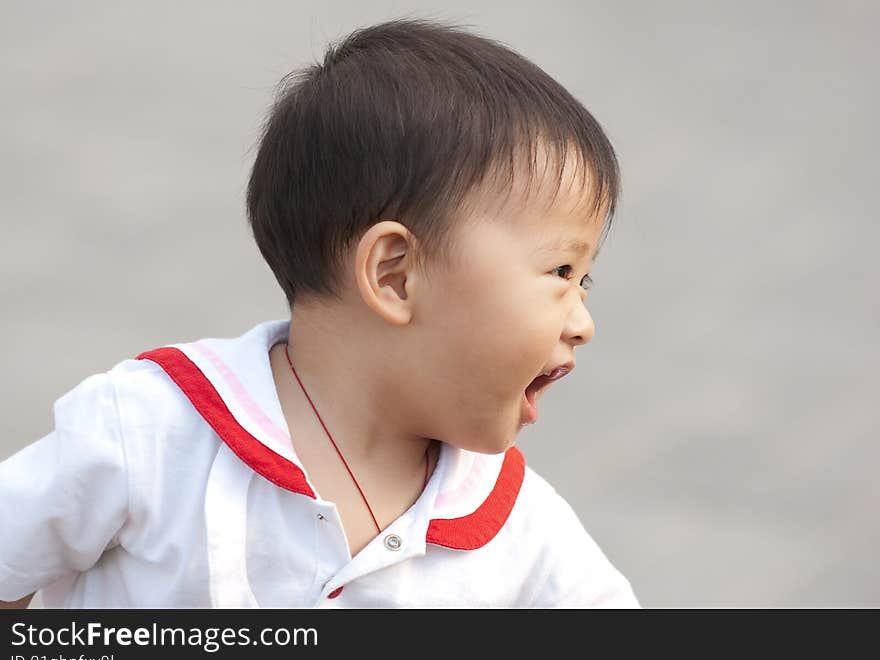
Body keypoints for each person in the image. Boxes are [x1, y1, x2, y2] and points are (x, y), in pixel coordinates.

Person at [0, 17, 639, 608]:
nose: (583, 322)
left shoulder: (518, 528)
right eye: (561, 272)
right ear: (395, 274)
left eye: (585, 282)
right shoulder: (152, 433)